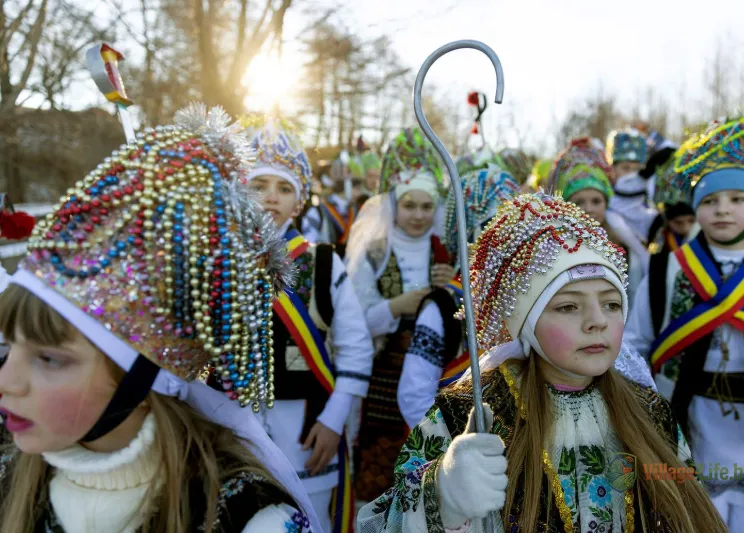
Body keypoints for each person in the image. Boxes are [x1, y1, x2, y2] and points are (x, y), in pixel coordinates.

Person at [0, 104, 321, 532]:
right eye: (6, 348)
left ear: (138, 375)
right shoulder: (13, 478)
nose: (6, 380)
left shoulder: (246, 519)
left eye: (50, 359)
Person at [357, 191, 726, 533]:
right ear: (526, 325)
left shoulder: (648, 410)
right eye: (568, 306)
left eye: (612, 304)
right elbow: (379, 521)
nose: (597, 320)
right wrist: (444, 497)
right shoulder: (471, 415)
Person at [625, 118, 744, 533]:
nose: (722, 209)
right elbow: (633, 345)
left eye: (739, 198)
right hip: (690, 430)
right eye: (710, 198)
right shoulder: (666, 270)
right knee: (698, 522)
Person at [240, 116, 374, 533]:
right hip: (233, 430)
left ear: (299, 200)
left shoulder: (322, 263)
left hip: (306, 433)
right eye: (258, 185)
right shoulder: (217, 261)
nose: (270, 198)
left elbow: (357, 351)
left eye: (283, 188)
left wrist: (334, 421)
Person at [345, 126, 455, 503]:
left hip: (434, 381)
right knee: (378, 475)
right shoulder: (374, 253)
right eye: (410, 205)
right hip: (382, 382)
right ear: (393, 204)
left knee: (429, 480)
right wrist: (396, 307)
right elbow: (353, 323)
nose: (418, 215)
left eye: (427, 206)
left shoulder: (447, 253)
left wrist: (450, 287)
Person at [397, 165, 519, 428]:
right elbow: (414, 394)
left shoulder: (531, 296)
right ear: (467, 236)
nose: (503, 240)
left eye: (513, 227)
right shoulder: (443, 305)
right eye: (489, 227)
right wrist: (450, 452)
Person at [551, 137, 649, 302]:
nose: (588, 208)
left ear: (606, 204)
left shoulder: (624, 243)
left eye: (596, 201)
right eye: (579, 202)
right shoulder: (552, 247)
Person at [606, 128, 659, 242]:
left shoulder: (652, 212)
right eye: (626, 168)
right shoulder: (603, 209)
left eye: (637, 169)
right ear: (613, 169)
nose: (632, 175)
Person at [646, 148, 696, 258]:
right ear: (667, 220)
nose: (686, 228)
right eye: (679, 223)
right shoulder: (658, 238)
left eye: (691, 221)